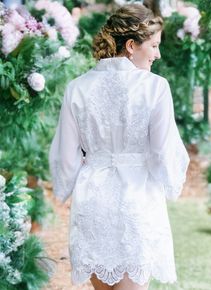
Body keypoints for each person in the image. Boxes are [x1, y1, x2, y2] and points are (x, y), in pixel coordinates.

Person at [49, 3, 190, 290]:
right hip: (138, 200)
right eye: (153, 45)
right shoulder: (155, 87)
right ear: (130, 45)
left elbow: (66, 157)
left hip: (93, 199)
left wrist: (65, 187)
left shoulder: (77, 87)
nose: (157, 54)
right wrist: (173, 181)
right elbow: (164, 153)